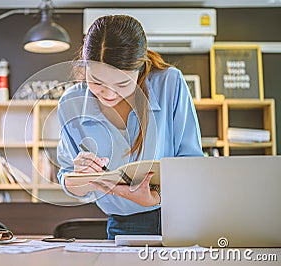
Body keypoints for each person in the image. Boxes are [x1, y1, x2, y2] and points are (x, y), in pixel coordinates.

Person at [56, 14, 203, 240]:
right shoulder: (70, 103)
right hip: (123, 225)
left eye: (123, 83)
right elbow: (67, 178)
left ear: (140, 67)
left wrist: (158, 198)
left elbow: (192, 161)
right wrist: (81, 177)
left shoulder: (169, 83)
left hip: (181, 217)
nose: (109, 94)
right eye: (96, 82)